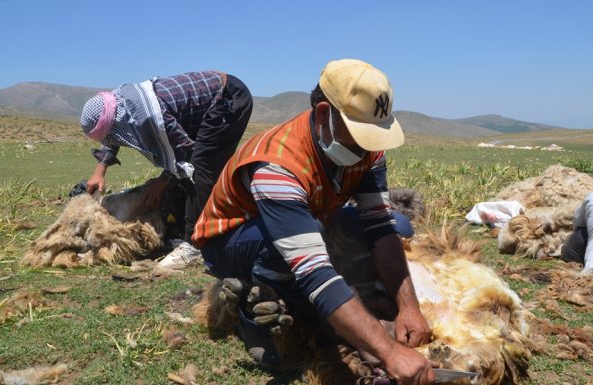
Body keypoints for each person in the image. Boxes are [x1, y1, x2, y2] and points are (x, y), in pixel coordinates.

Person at [191, 59, 437, 385]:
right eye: (360, 134)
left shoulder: (366, 148)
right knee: (297, 255)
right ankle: (255, 312)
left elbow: (379, 227)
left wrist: (409, 307)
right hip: (234, 240)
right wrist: (386, 351)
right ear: (324, 115)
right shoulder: (276, 164)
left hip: (311, 219)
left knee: (399, 227)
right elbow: (313, 272)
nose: (368, 148)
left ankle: (328, 301)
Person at [79, 71, 252, 268]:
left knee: (200, 170)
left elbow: (184, 156)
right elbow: (113, 130)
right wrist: (100, 170)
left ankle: (194, 245)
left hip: (227, 99)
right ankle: (197, 222)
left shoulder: (150, 118)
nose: (112, 140)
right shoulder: (121, 104)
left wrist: (161, 182)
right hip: (208, 100)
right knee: (190, 172)